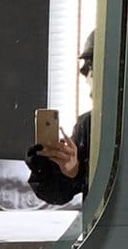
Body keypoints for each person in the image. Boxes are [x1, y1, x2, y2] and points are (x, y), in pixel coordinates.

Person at [27, 33, 94, 204]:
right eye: (88, 67)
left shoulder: (90, 124)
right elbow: (58, 194)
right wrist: (68, 172)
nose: (87, 75)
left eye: (91, 66)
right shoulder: (88, 125)